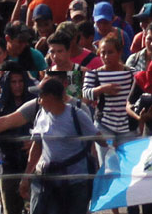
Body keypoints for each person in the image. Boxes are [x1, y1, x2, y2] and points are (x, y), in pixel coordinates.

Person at [23, 77, 102, 214]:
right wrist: (26, 176)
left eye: (41, 96)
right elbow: (37, 146)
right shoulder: (41, 115)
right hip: (48, 181)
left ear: (51, 97)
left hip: (76, 183)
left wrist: (99, 172)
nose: (39, 100)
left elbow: (97, 139)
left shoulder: (77, 114)